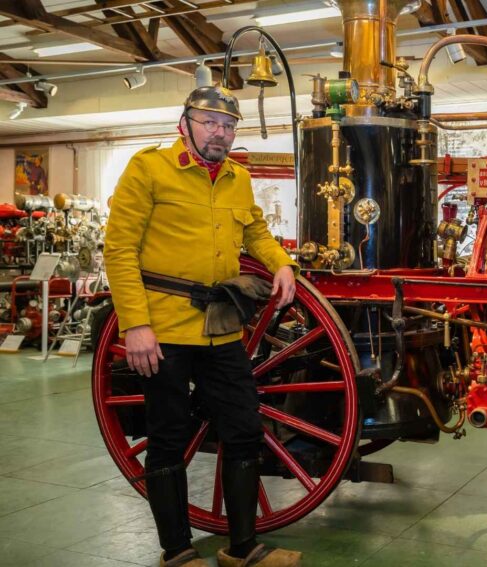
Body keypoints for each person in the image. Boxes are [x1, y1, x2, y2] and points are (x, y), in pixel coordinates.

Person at [105, 85, 302, 567]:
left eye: (229, 125)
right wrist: (135, 324)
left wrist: (281, 263)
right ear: (185, 122)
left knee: (243, 429)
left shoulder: (236, 175)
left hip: (221, 326)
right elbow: (119, 250)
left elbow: (254, 228)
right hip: (163, 326)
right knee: (169, 436)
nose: (221, 132)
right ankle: (177, 553)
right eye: (210, 121)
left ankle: (242, 548)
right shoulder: (148, 168)